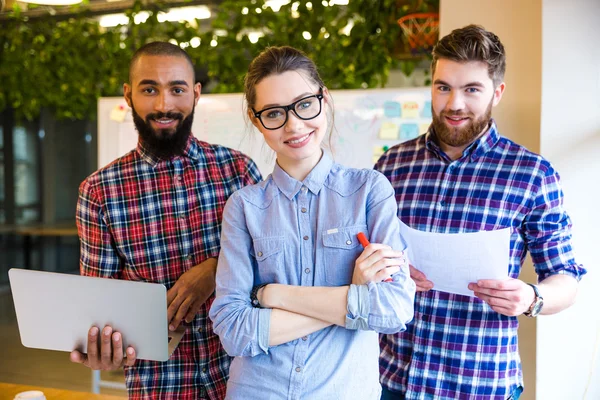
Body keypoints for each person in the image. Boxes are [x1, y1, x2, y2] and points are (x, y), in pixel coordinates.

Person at [376, 25, 587, 400]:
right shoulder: (391, 165)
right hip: (391, 380)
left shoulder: (533, 175)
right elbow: (360, 253)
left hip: (479, 385)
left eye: (471, 89)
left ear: (497, 92)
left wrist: (531, 298)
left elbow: (566, 278)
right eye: (443, 87)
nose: (454, 103)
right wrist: (386, 268)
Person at [208, 46, 416, 399]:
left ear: (325, 98)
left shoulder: (369, 191)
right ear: (256, 119)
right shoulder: (243, 207)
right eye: (274, 113)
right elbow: (234, 330)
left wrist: (274, 295)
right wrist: (351, 294)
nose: (294, 125)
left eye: (305, 104)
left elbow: (394, 309)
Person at [70, 42, 262, 399]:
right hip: (161, 386)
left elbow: (277, 265)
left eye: (177, 89)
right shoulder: (99, 192)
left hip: (246, 378)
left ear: (196, 94)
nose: (163, 105)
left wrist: (216, 269)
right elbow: (99, 307)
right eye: (149, 89)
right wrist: (100, 347)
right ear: (128, 95)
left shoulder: (238, 170)